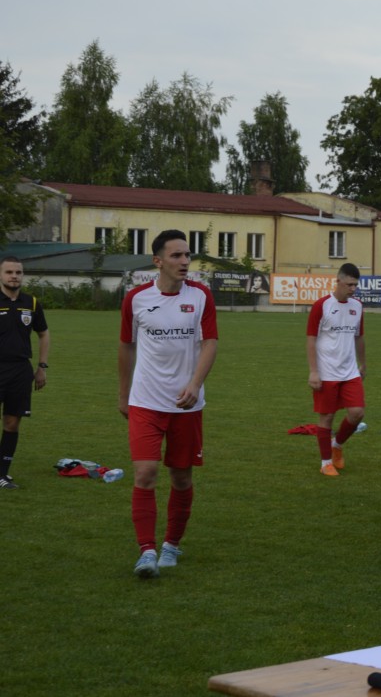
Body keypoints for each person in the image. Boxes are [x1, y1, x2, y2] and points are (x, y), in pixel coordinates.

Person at [118, 230, 218, 578]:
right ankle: (146, 552)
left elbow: (210, 343)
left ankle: (171, 545)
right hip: (146, 401)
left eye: (187, 255)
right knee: (145, 473)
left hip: (186, 405)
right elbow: (126, 345)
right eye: (176, 255)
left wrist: (195, 384)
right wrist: (123, 394)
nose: (185, 261)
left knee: (181, 477)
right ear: (158, 261)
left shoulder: (201, 295)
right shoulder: (136, 299)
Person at [306, 263, 366, 477]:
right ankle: (326, 463)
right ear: (338, 281)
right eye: (349, 284)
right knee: (327, 418)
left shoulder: (357, 306)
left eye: (355, 285)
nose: (353, 289)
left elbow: (359, 336)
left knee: (357, 413)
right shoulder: (322, 305)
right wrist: (314, 371)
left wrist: (363, 363)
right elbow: (311, 339)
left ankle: (337, 445)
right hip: (326, 372)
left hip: (350, 372)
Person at [0, 256, 50, 489]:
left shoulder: (31, 303)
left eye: (18, 272)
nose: (14, 276)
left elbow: (43, 333)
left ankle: (2, 474)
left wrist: (41, 366)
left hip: (20, 370)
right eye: (9, 272)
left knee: (12, 422)